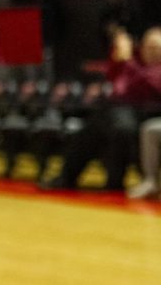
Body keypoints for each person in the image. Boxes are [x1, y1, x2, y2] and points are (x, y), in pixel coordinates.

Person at [44, 27, 161, 192]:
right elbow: (113, 77)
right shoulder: (136, 64)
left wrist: (127, 60)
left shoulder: (152, 69)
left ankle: (114, 182)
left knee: (121, 128)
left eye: (156, 48)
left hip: (144, 112)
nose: (151, 52)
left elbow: (147, 83)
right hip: (116, 110)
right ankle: (66, 177)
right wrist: (117, 57)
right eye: (147, 47)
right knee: (90, 131)